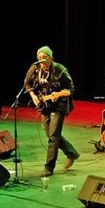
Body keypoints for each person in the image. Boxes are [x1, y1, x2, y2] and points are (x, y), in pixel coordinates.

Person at [23, 46, 79, 176]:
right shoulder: (35, 68)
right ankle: (71, 153)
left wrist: (58, 94)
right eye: (39, 58)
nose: (42, 60)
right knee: (50, 134)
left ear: (50, 58)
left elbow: (70, 89)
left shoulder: (60, 70)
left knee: (53, 137)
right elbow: (27, 83)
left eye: (45, 57)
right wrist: (33, 95)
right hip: (45, 105)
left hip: (59, 106)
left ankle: (48, 168)